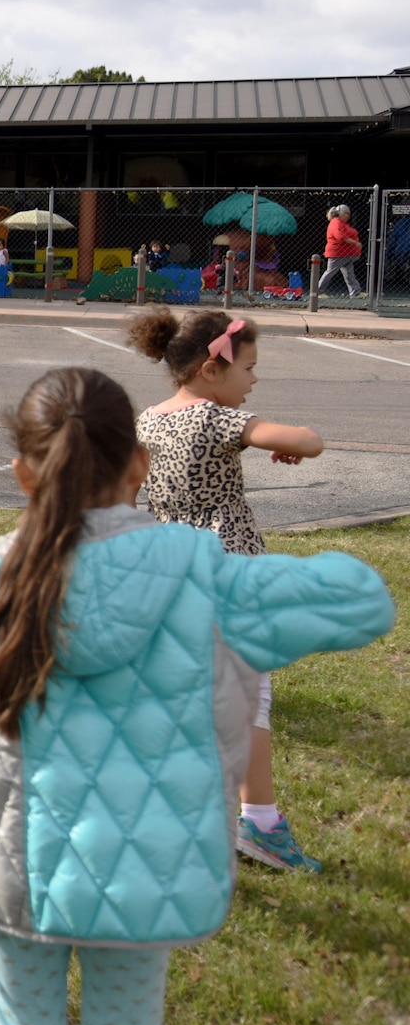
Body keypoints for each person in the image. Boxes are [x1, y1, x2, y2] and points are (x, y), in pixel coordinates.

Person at [0, 367, 392, 1025]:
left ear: (23, 473)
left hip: (19, 862)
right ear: (140, 463)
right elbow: (360, 598)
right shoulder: (203, 570)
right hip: (147, 872)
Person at [126, 307, 328, 873]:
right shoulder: (214, 418)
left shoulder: (151, 418)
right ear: (212, 369)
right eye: (250, 368)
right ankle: (261, 823)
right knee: (248, 696)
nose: (254, 380)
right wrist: (285, 438)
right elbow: (307, 441)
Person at [322, 203, 363, 296]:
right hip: (337, 253)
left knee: (349, 273)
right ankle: (318, 291)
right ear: (340, 213)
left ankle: (355, 292)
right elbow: (340, 237)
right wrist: (355, 243)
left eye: (349, 213)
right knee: (330, 272)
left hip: (345, 254)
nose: (348, 215)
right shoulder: (336, 223)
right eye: (346, 213)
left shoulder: (342, 223)